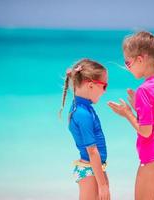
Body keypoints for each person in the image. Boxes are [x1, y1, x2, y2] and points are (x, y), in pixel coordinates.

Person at [108, 31, 154, 200]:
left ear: (140, 59)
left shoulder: (144, 90)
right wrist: (138, 108)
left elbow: (146, 131)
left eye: (128, 63)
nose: (127, 68)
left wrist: (127, 113)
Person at [59, 58, 110, 200]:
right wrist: (103, 185)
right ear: (91, 85)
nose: (105, 91)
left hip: (94, 168)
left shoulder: (82, 108)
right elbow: (92, 151)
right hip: (90, 170)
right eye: (104, 86)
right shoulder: (83, 113)